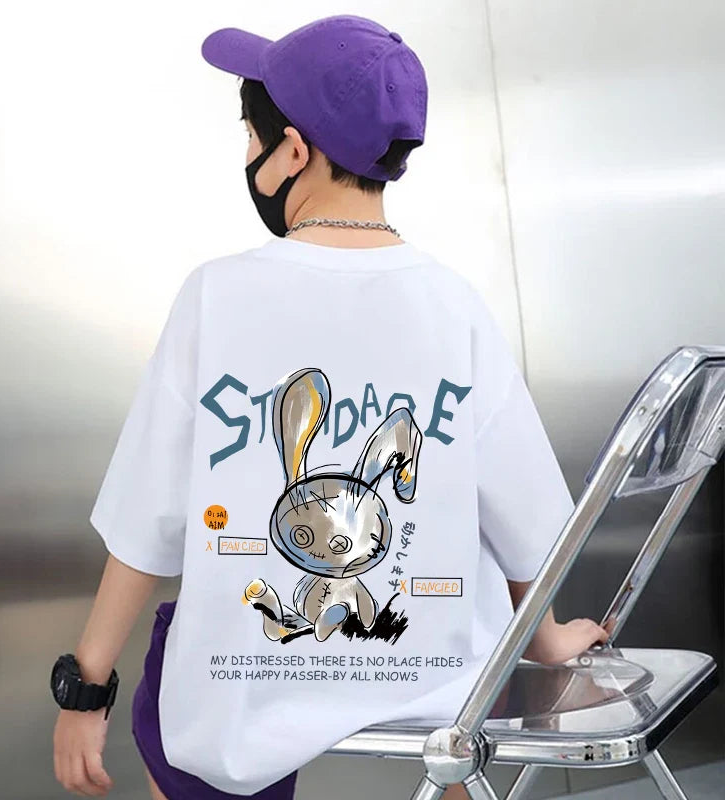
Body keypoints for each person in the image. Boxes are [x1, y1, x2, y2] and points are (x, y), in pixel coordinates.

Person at [51, 14, 610, 800]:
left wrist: (86, 689)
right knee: (455, 713)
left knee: (186, 673)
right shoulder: (455, 306)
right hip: (426, 692)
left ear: (293, 152)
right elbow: (524, 517)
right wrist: (546, 640)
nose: (249, 156)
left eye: (251, 137)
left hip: (245, 695)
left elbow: (148, 518)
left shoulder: (216, 296)